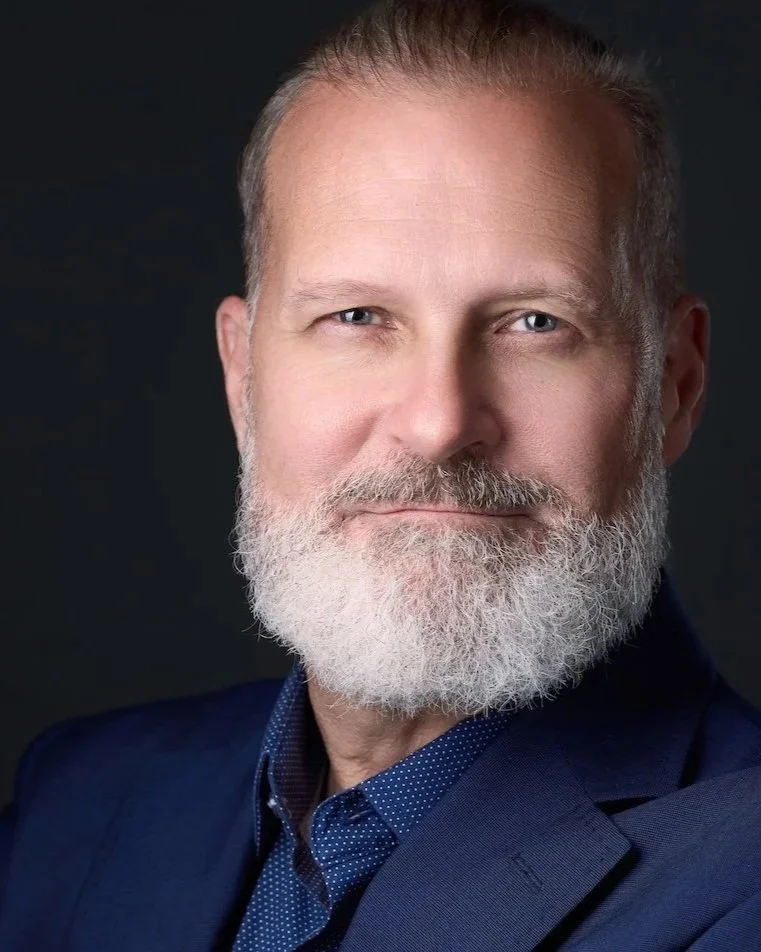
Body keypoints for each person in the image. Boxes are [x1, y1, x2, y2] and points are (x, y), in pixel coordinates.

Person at [2, 1, 760, 948]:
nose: (440, 424)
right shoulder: (78, 800)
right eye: (358, 317)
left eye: (534, 323)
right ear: (243, 378)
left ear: (673, 387)